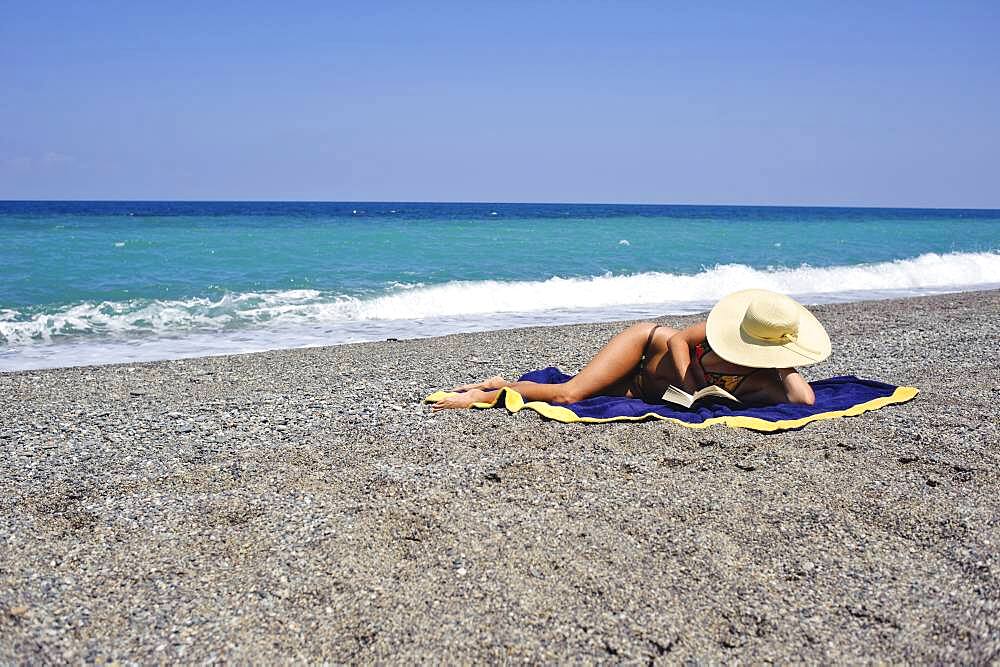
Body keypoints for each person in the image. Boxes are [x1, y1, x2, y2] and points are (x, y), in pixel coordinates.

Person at [432, 289, 831, 411]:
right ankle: (481, 396)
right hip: (642, 349)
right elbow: (676, 340)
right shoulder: (715, 334)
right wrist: (693, 382)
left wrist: (784, 362)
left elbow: (804, 400)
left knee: (576, 391)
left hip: (641, 390)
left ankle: (506, 382)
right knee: (570, 393)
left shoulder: (765, 375)